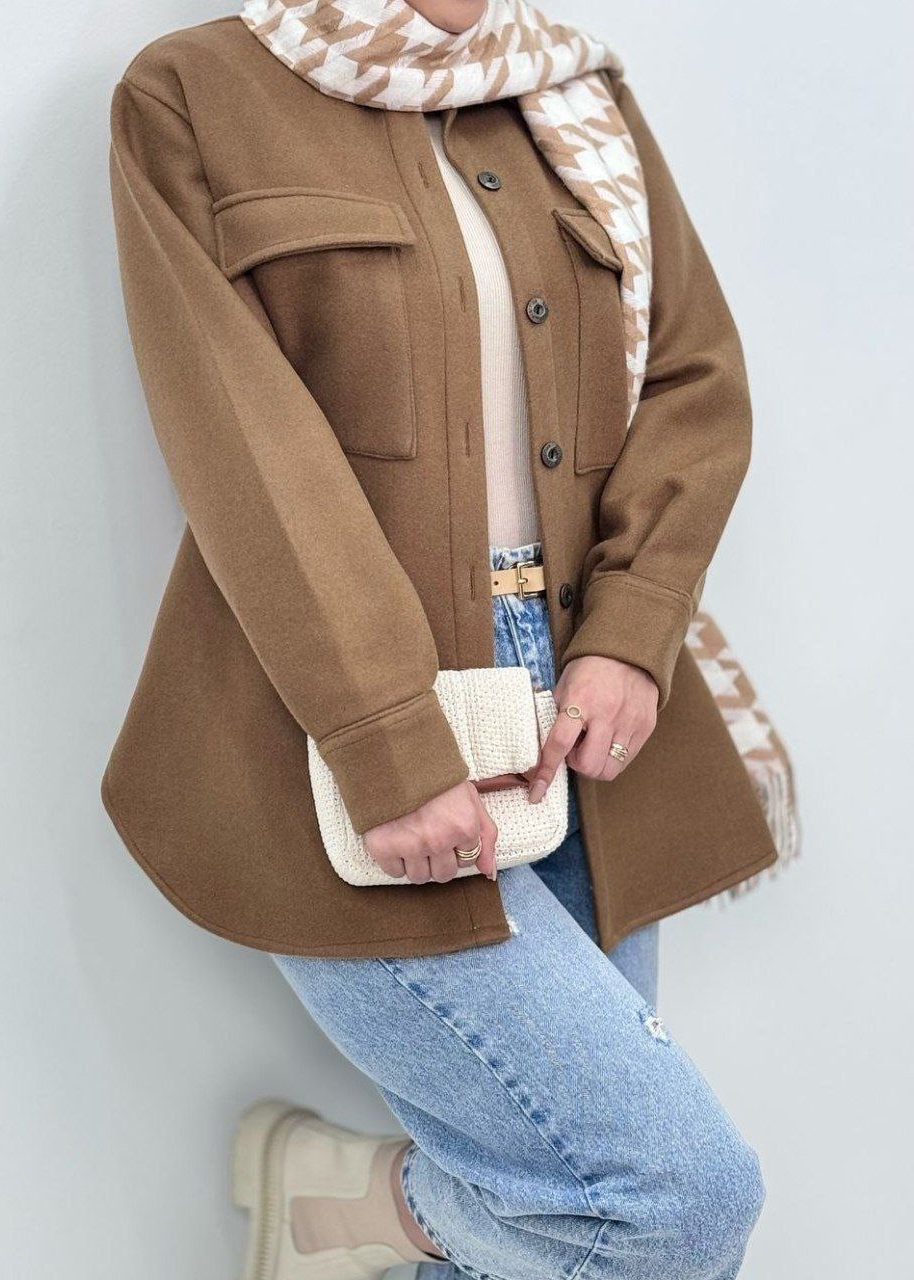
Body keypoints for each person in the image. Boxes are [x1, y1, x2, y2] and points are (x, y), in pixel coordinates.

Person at [104, 1, 777, 1275]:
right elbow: (245, 443)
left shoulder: (569, 88)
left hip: (583, 715)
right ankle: (362, 1205)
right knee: (667, 1201)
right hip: (333, 716)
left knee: (576, 1202)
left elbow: (694, 376)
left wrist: (633, 630)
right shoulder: (193, 91)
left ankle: (349, 1208)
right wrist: (386, 735)